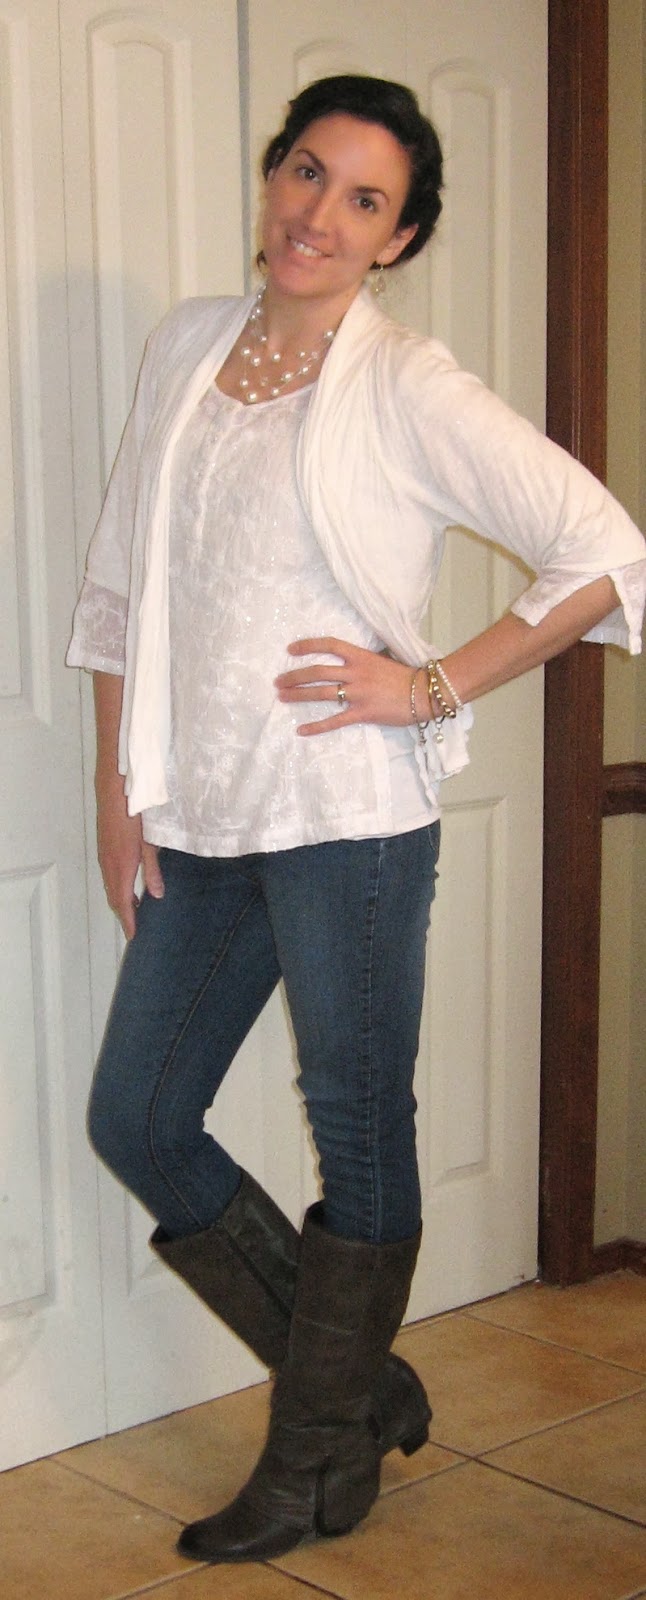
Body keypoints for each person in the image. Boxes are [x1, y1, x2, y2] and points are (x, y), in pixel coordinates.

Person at [67, 74, 646, 1566]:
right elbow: (123, 584)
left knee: (358, 1129)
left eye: (364, 200)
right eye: (307, 172)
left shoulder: (407, 383)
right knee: (138, 1116)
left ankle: (317, 1463)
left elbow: (602, 549)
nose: (319, 215)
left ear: (398, 239)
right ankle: (362, 1390)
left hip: (347, 823)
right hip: (203, 818)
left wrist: (433, 682)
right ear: (272, 175)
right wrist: (118, 792)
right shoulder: (190, 344)